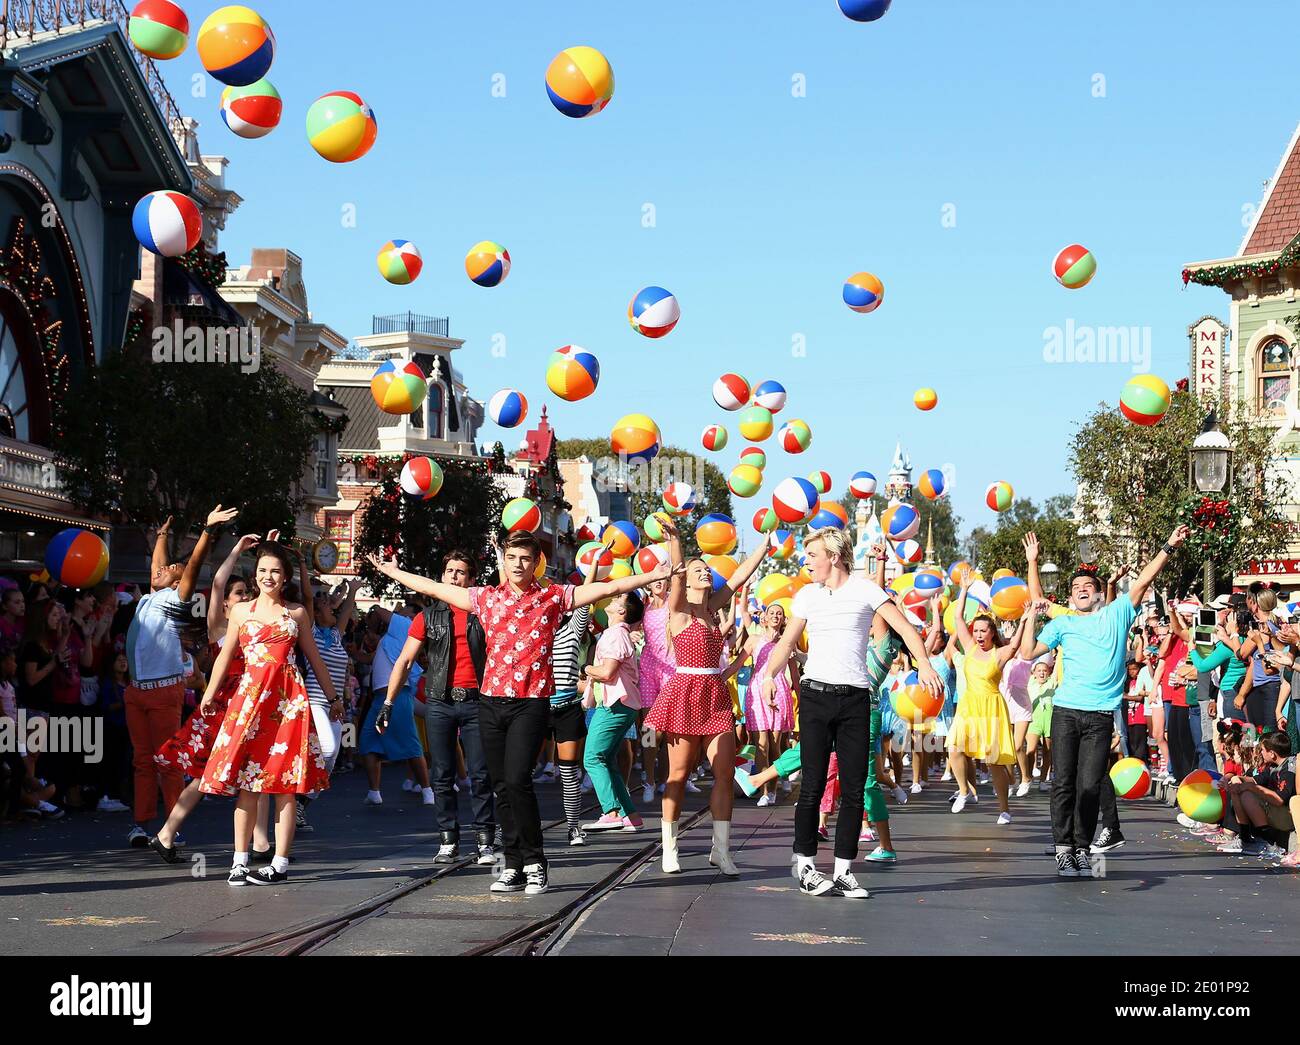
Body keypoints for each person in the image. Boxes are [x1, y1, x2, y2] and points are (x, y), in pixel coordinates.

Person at [369, 533, 676, 896]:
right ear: (504, 560)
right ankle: (511, 865)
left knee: (517, 781)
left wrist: (655, 576)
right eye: (511, 557)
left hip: (531, 704)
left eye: (525, 558)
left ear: (535, 563)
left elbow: (613, 586)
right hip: (490, 703)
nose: (517, 564)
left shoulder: (554, 597)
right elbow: (434, 589)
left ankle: (535, 863)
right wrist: (394, 571)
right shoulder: (484, 598)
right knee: (501, 787)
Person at [758, 527, 941, 898]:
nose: (806, 562)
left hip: (856, 698)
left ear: (834, 557)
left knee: (855, 787)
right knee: (812, 784)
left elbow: (905, 628)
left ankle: (843, 870)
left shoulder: (866, 591)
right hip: (815, 695)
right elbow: (788, 642)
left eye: (812, 555)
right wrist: (768, 677)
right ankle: (807, 865)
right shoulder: (807, 595)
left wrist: (923, 663)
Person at [1020, 525, 1189, 877]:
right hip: (1066, 712)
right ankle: (1064, 848)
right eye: (1075, 588)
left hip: (1099, 716)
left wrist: (1168, 546)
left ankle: (1083, 845)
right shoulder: (1063, 622)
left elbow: (1142, 581)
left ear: (1100, 595)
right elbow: (1031, 631)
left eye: (1088, 587)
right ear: (1069, 598)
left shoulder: (1117, 614)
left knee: (1088, 784)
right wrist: (1032, 564)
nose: (1082, 591)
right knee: (1063, 781)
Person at [199, 541, 337, 886]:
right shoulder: (241, 612)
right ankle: (239, 861)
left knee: (285, 787)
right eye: (262, 571)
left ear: (285, 576)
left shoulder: (297, 614)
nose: (268, 576)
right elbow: (225, 656)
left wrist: (335, 696)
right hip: (249, 702)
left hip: (288, 703)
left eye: (275, 571)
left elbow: (314, 659)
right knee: (248, 785)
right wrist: (210, 692)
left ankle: (279, 863)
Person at [644, 516, 767, 878]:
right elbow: (678, 572)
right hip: (684, 693)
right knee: (678, 775)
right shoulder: (679, 610)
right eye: (700, 569)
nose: (705, 572)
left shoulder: (714, 608)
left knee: (725, 773)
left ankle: (721, 850)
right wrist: (676, 540)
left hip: (715, 695)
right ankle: (669, 846)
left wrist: (765, 545)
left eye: (707, 569)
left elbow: (740, 574)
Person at [124, 505, 238, 847]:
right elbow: (159, 568)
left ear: (177, 581)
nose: (163, 569)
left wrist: (206, 530)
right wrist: (161, 535)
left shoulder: (176, 599)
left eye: (171, 569)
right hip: (137, 691)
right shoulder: (151, 598)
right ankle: (142, 826)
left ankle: (169, 830)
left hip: (163, 692)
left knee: (167, 762)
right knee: (142, 761)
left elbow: (193, 566)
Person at [149, 534, 257, 863]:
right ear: (224, 601)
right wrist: (237, 548)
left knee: (251, 774)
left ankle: (261, 843)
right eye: (239, 593)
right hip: (221, 710)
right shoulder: (220, 627)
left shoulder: (252, 626)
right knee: (212, 776)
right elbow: (221, 579)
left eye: (246, 593)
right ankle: (167, 834)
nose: (244, 597)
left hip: (245, 709)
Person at [384, 549, 495, 864]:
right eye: (450, 571)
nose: (455, 577)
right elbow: (405, 660)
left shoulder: (483, 613)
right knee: (442, 774)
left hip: (477, 701)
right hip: (439, 701)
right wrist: (389, 701)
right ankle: (448, 839)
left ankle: (486, 840)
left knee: (480, 773)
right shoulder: (426, 617)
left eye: (461, 572)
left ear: (472, 580)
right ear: (442, 576)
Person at [948, 578, 1022, 823]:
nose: (978, 634)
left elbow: (1016, 645)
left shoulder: (998, 654)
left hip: (991, 707)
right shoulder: (968, 647)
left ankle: (1004, 808)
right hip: (969, 706)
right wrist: (965, 590)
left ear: (992, 633)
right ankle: (964, 790)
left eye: (983, 630)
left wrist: (1024, 619)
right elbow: (958, 619)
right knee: (954, 749)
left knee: (994, 763)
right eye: (976, 630)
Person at [299, 575, 360, 831]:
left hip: (334, 703)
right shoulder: (310, 632)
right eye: (326, 606)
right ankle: (296, 799)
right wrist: (303, 569)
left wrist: (352, 590)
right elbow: (308, 600)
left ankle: (301, 803)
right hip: (314, 699)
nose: (332, 608)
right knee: (327, 747)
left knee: (332, 758)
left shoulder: (336, 635)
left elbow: (345, 609)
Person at [581, 591, 646, 832]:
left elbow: (607, 672)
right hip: (620, 705)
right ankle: (630, 814)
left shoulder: (615, 635)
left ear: (622, 612)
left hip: (614, 706)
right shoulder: (617, 634)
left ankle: (610, 812)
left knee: (592, 757)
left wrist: (585, 667)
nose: (612, 596)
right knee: (607, 760)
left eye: (618, 597)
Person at [361, 603, 431, 805]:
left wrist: (374, 607)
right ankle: (374, 792)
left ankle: (427, 790)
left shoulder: (405, 624)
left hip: (398, 696)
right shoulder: (391, 638)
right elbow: (368, 659)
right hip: (379, 698)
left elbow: (381, 613)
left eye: (405, 609)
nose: (400, 611)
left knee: (410, 744)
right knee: (368, 743)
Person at [738, 600, 798, 806]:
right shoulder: (754, 639)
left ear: (783, 619)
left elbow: (795, 675)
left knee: (774, 745)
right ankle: (765, 791)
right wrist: (717, 679)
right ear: (764, 617)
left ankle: (772, 789)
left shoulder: (788, 642)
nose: (775, 616)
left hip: (779, 690)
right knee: (760, 744)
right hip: (756, 691)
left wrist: (803, 700)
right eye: (772, 612)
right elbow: (737, 664)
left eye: (779, 613)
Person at [636, 575, 673, 804]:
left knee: (669, 730)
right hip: (649, 666)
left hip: (671, 666)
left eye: (664, 579)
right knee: (650, 728)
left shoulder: (674, 601)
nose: (659, 582)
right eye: (655, 578)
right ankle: (648, 779)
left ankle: (665, 779)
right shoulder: (643, 605)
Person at [1026, 656, 1056, 790]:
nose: (1042, 673)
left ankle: (1043, 780)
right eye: (1039, 670)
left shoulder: (1052, 683)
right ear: (1034, 672)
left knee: (1047, 751)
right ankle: (1028, 777)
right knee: (1030, 750)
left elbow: (1058, 670)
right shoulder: (1030, 683)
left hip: (1049, 718)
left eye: (1045, 670)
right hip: (1034, 719)